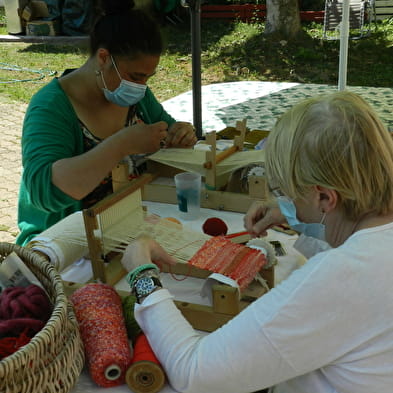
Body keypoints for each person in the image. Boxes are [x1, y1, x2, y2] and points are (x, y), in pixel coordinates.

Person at [121, 91, 393, 393]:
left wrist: (142, 274)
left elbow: (195, 373)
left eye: (287, 193)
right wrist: (299, 218)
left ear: (325, 197)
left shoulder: (341, 276)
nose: (285, 201)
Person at [16, 0, 197, 246]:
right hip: (64, 246)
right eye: (136, 76)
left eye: (147, 77)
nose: (142, 86)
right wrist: (120, 145)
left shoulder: (136, 96)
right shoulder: (51, 107)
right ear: (103, 57)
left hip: (125, 231)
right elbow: (43, 193)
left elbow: (167, 130)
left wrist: (181, 133)